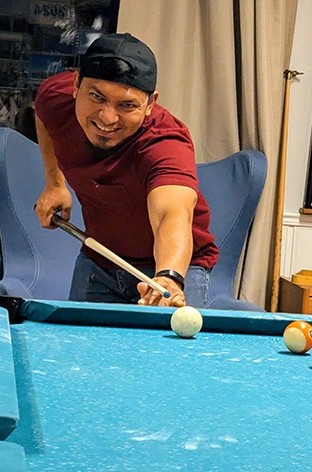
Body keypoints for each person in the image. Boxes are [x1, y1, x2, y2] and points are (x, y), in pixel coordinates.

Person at [34, 33, 219, 307]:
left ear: (150, 104)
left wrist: (168, 276)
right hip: (100, 258)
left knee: (166, 351)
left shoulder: (165, 143)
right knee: (80, 349)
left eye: (127, 105)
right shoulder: (55, 98)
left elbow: (172, 214)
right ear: (75, 84)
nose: (108, 117)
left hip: (173, 271)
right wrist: (54, 183)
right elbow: (43, 113)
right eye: (97, 96)